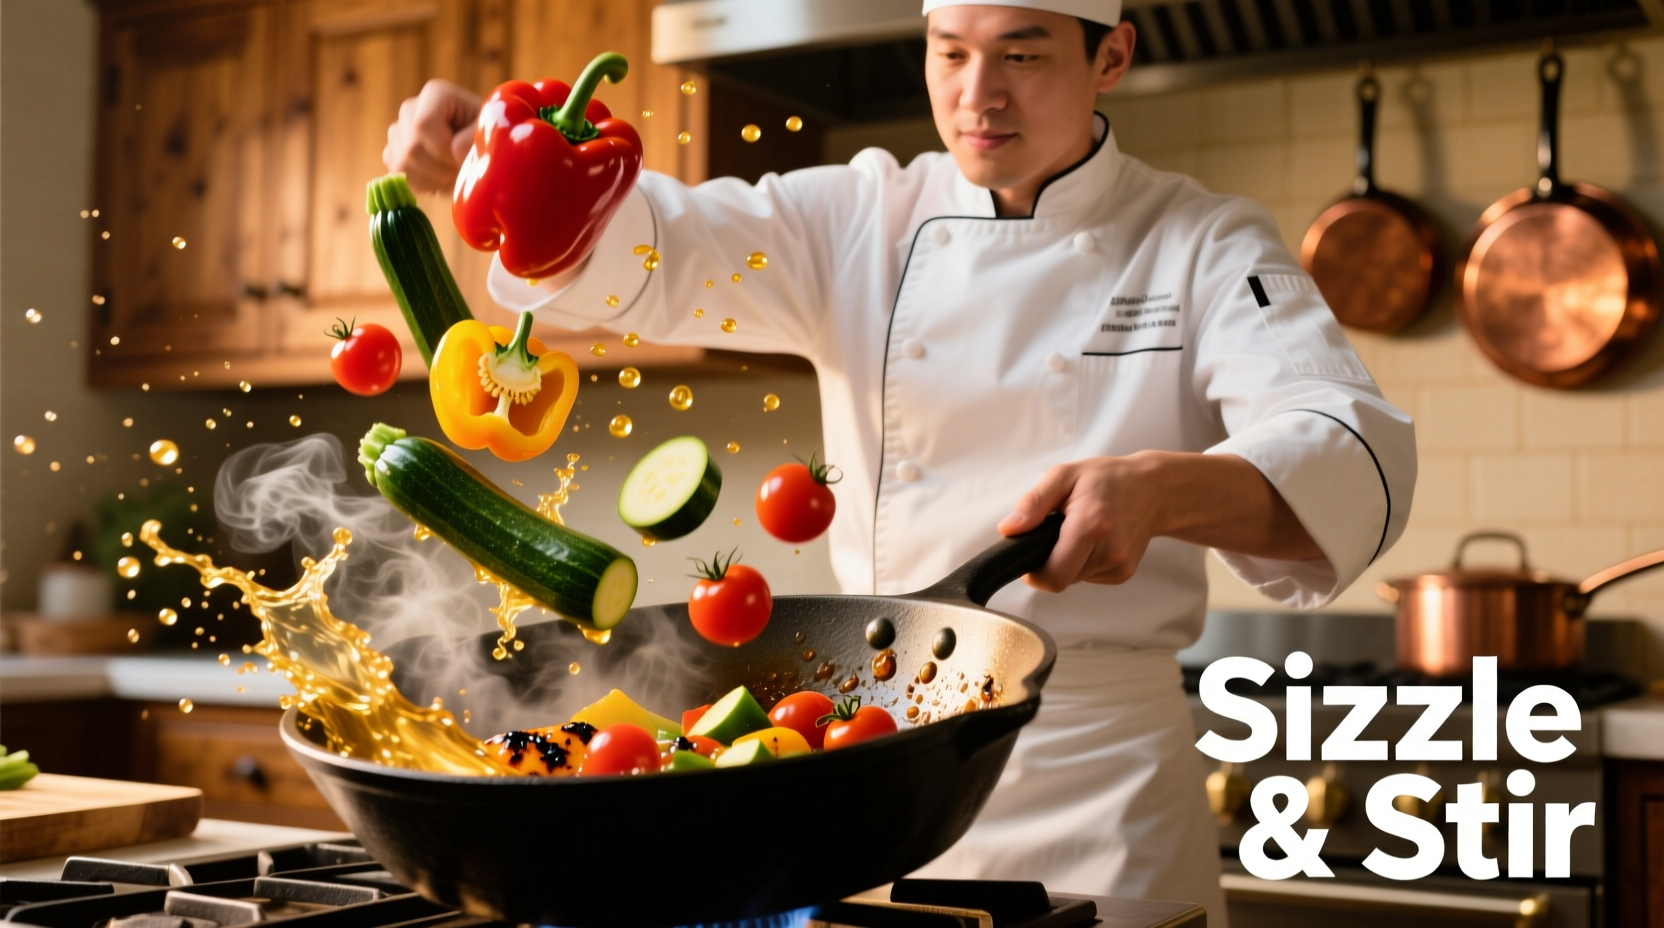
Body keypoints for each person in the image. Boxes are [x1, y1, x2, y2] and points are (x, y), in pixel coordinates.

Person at [384, 0, 1416, 921]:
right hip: (874, 770)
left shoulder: (1200, 241)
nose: (979, 97)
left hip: (1102, 785)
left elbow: (1346, 442)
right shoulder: (858, 219)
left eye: (1022, 54)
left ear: (1111, 55)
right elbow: (660, 246)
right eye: (949, 52)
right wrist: (510, 153)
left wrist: (1158, 487)